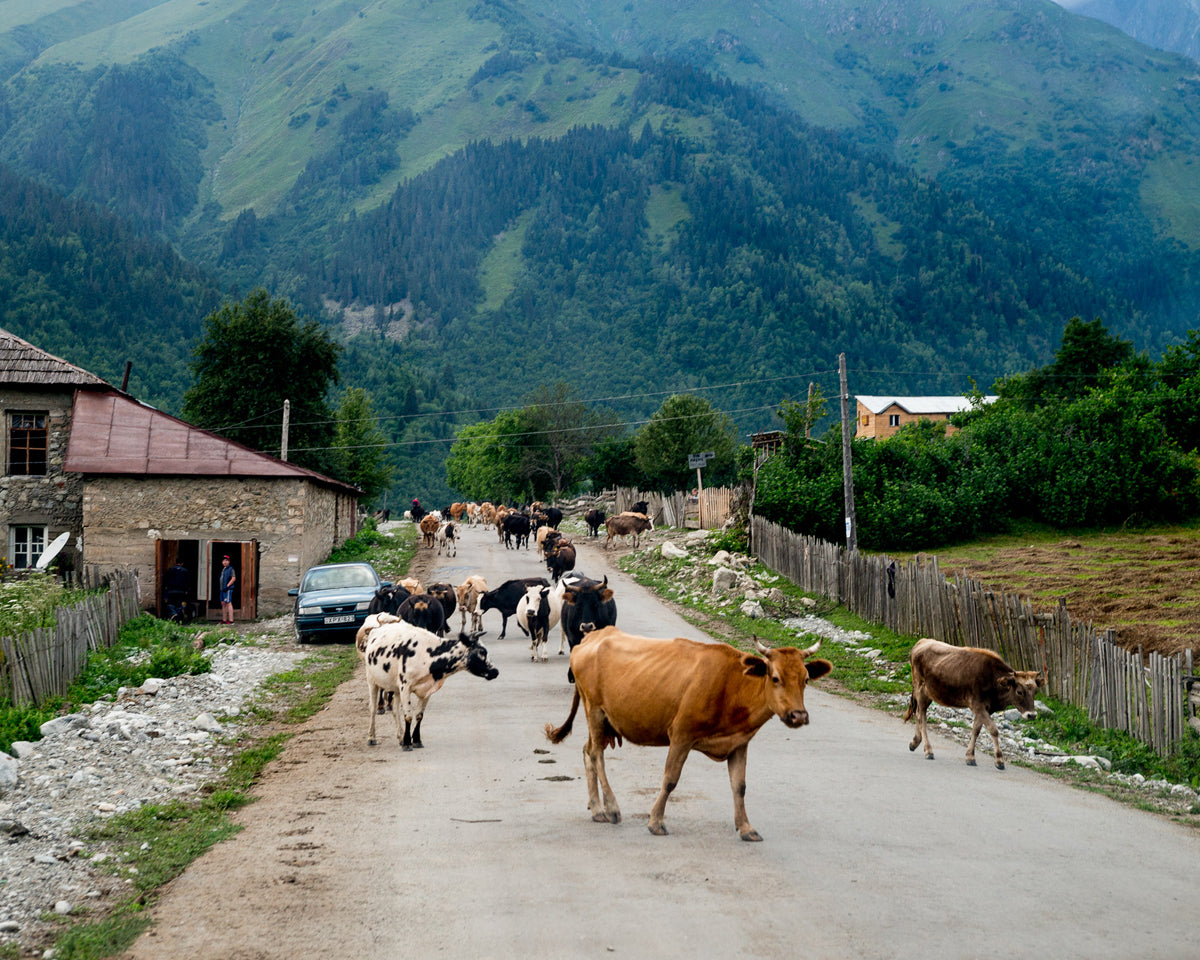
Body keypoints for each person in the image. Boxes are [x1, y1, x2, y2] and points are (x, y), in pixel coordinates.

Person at [219, 555, 237, 624]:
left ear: (229, 561)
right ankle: (224, 619)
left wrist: (228, 585)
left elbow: (233, 578)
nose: (225, 562)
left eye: (226, 560)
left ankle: (231, 620)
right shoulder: (223, 569)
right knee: (223, 603)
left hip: (228, 589)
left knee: (228, 603)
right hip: (222, 589)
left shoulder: (231, 569)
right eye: (223, 561)